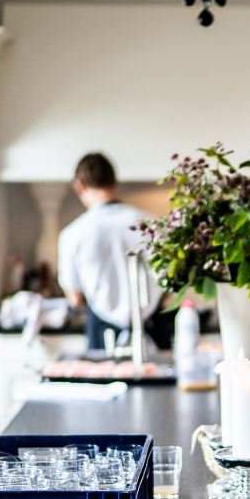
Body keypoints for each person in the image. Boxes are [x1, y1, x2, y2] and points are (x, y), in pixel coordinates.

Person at [57, 152, 166, 355]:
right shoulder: (153, 225)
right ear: (115, 181)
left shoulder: (72, 234)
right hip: (156, 328)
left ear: (79, 185)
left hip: (102, 334)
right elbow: (170, 284)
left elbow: (75, 298)